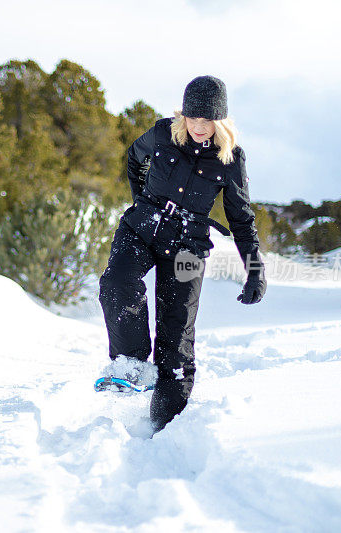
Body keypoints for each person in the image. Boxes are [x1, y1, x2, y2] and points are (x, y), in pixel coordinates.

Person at [98, 75, 267, 434]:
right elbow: (134, 157)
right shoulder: (162, 134)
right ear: (183, 115)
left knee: (177, 334)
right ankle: (130, 363)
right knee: (118, 282)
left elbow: (241, 219)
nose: (200, 127)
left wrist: (255, 270)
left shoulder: (230, 159)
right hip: (142, 227)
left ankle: (164, 425)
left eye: (208, 120)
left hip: (188, 246)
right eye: (194, 118)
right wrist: (141, 200)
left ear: (221, 121)